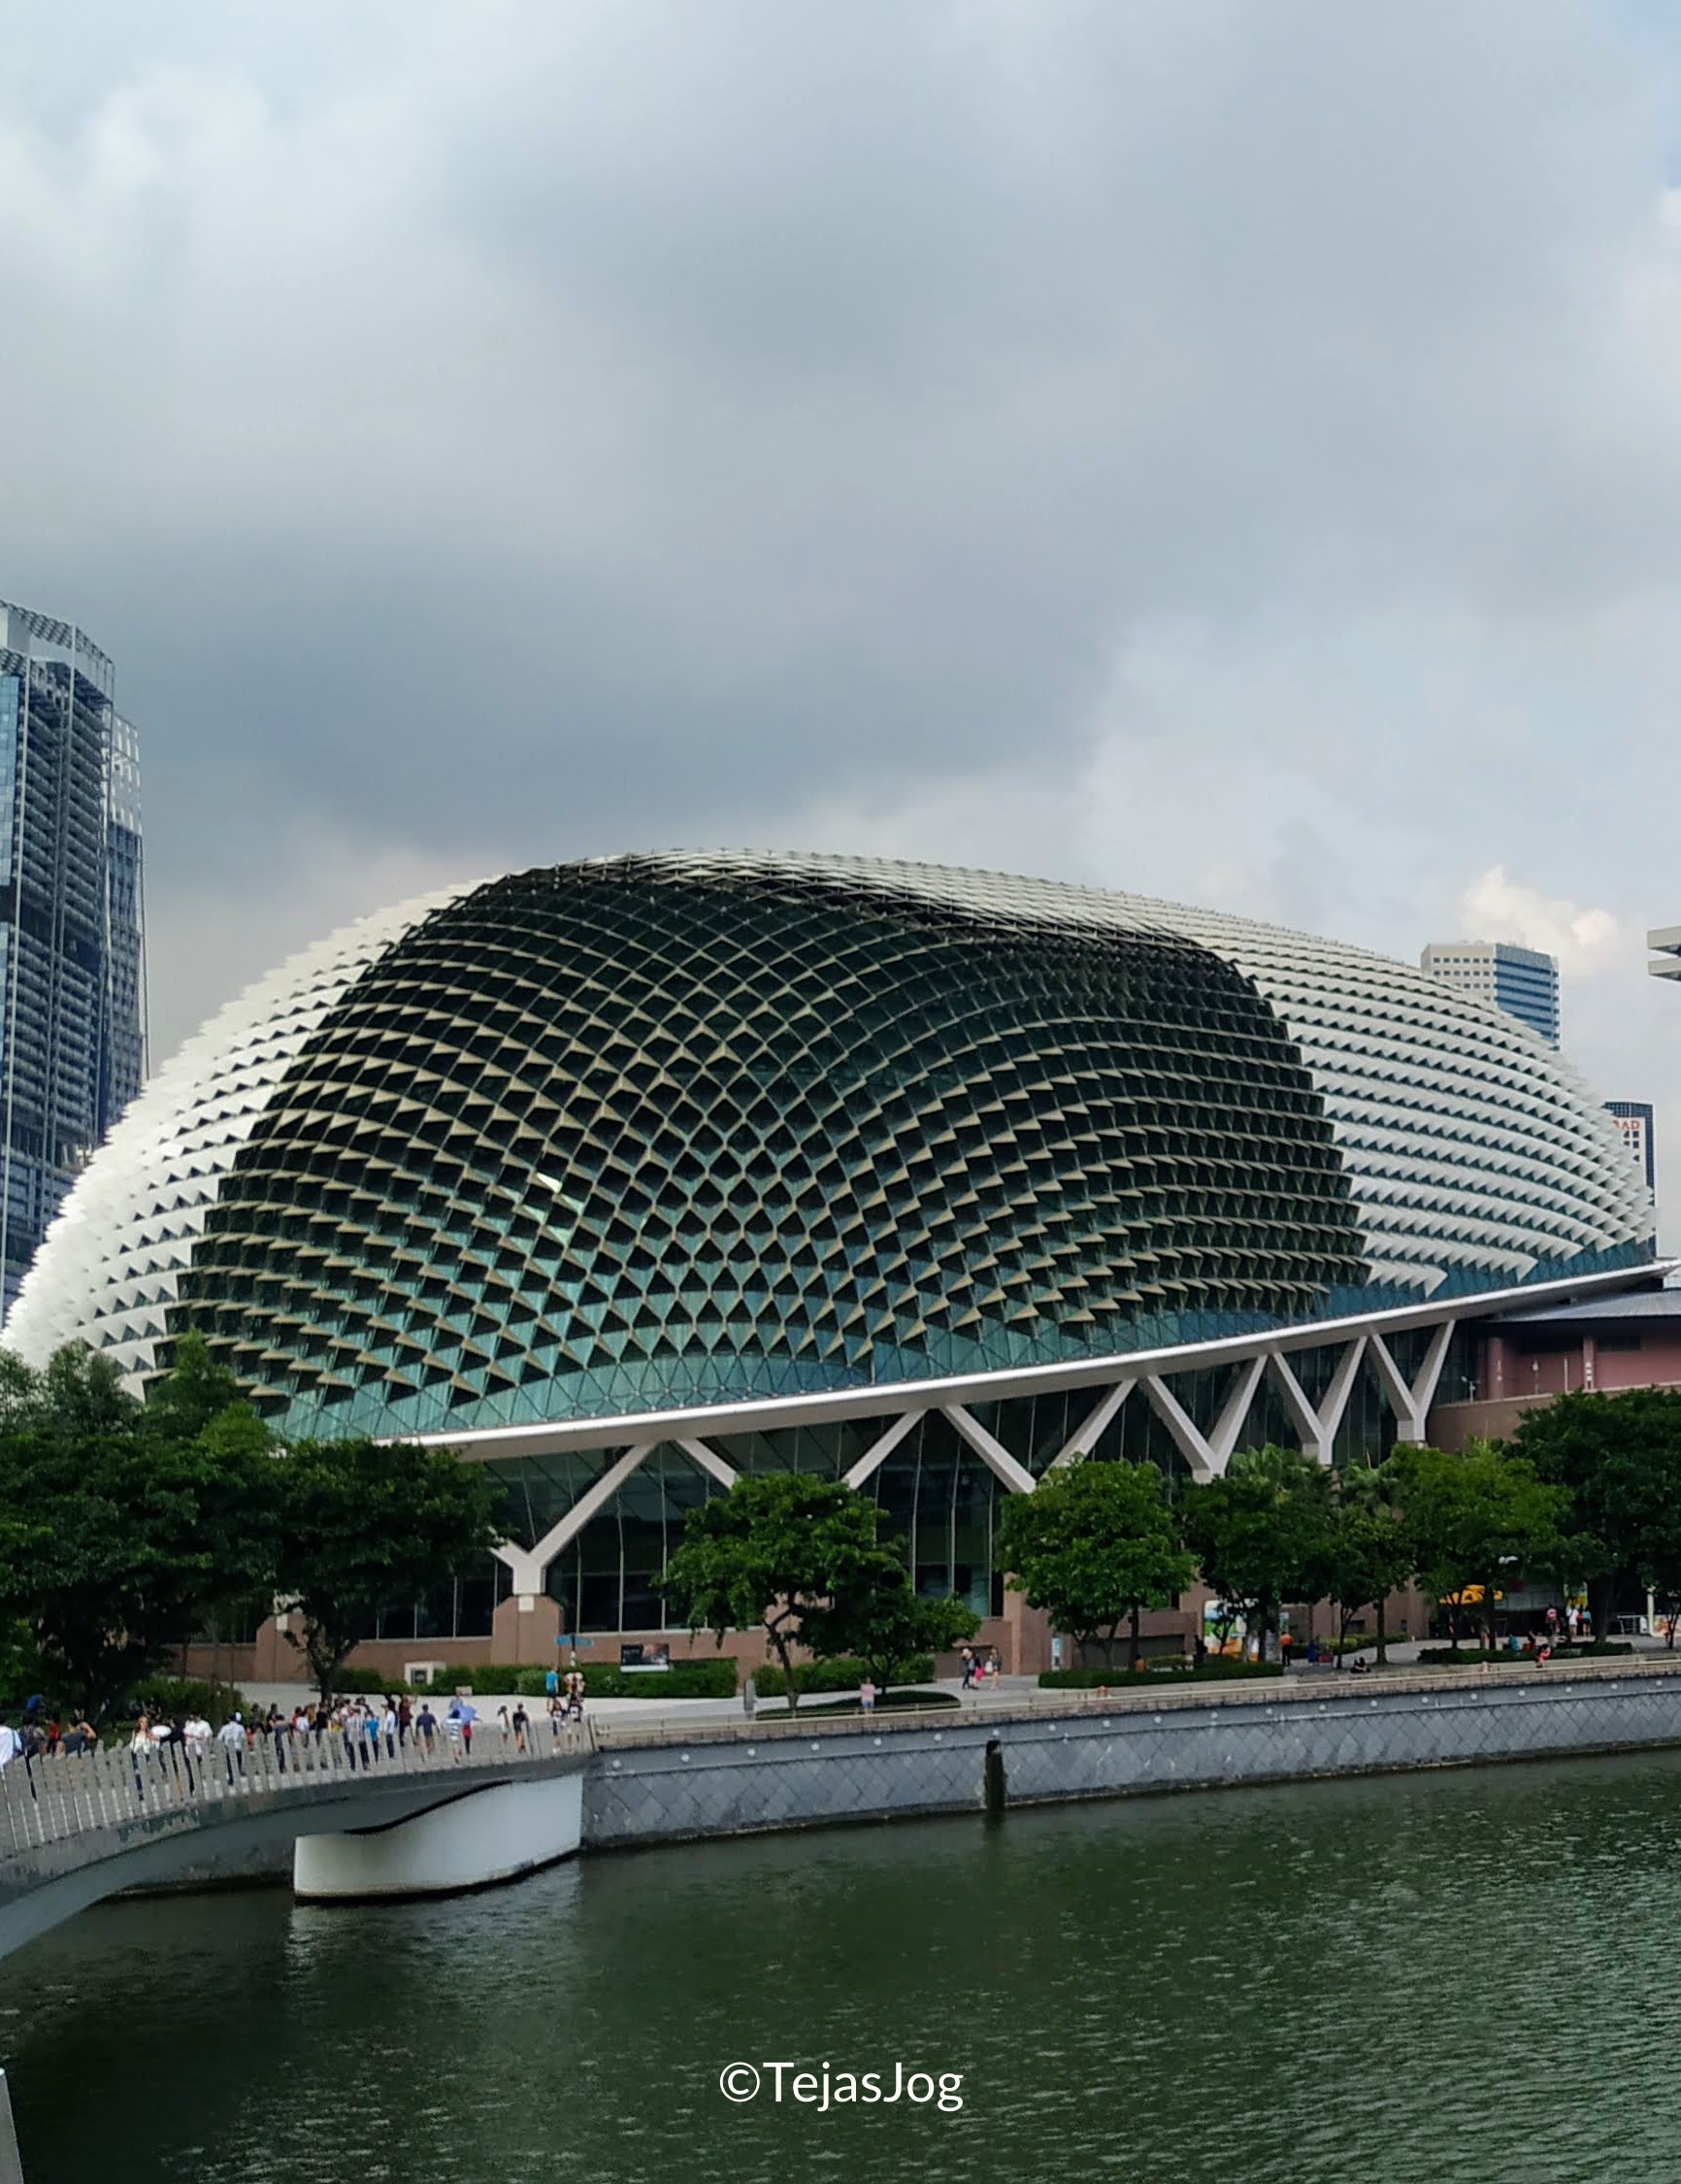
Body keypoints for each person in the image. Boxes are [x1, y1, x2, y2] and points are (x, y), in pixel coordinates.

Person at [216, 1711, 247, 1781]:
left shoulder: (225, 1727)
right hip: (238, 1747)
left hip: (229, 1747)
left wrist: (224, 1744)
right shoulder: (240, 1727)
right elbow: (243, 1738)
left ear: (228, 1719)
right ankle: (237, 1776)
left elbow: (219, 1737)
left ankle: (231, 1777)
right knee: (238, 1762)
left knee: (230, 1764)